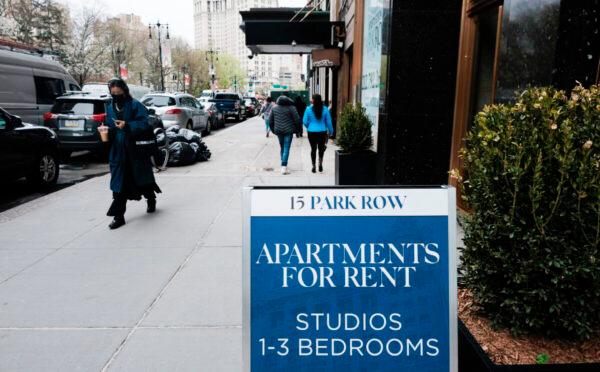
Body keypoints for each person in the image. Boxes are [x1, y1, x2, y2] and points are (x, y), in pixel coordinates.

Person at [99, 78, 162, 229]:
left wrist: (127, 125)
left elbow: (145, 123)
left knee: (142, 178)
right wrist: (105, 130)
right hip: (118, 150)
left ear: (125, 91)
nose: (115, 95)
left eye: (118, 92)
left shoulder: (135, 105)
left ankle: (150, 198)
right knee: (119, 183)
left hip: (135, 149)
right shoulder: (109, 106)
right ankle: (118, 216)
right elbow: (109, 124)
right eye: (113, 93)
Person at [269, 95, 301, 175]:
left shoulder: (274, 108)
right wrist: (298, 130)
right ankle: (284, 166)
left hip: (278, 131)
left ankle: (283, 163)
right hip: (288, 131)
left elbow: (270, 121)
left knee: (282, 147)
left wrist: (273, 130)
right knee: (286, 148)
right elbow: (297, 119)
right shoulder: (291, 108)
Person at [303, 94, 334, 173]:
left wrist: (309, 126)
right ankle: (320, 165)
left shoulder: (308, 109)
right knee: (321, 149)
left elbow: (304, 121)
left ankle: (313, 166)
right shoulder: (325, 109)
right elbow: (329, 122)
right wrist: (331, 131)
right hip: (322, 132)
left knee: (313, 149)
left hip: (311, 132)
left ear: (313, 100)